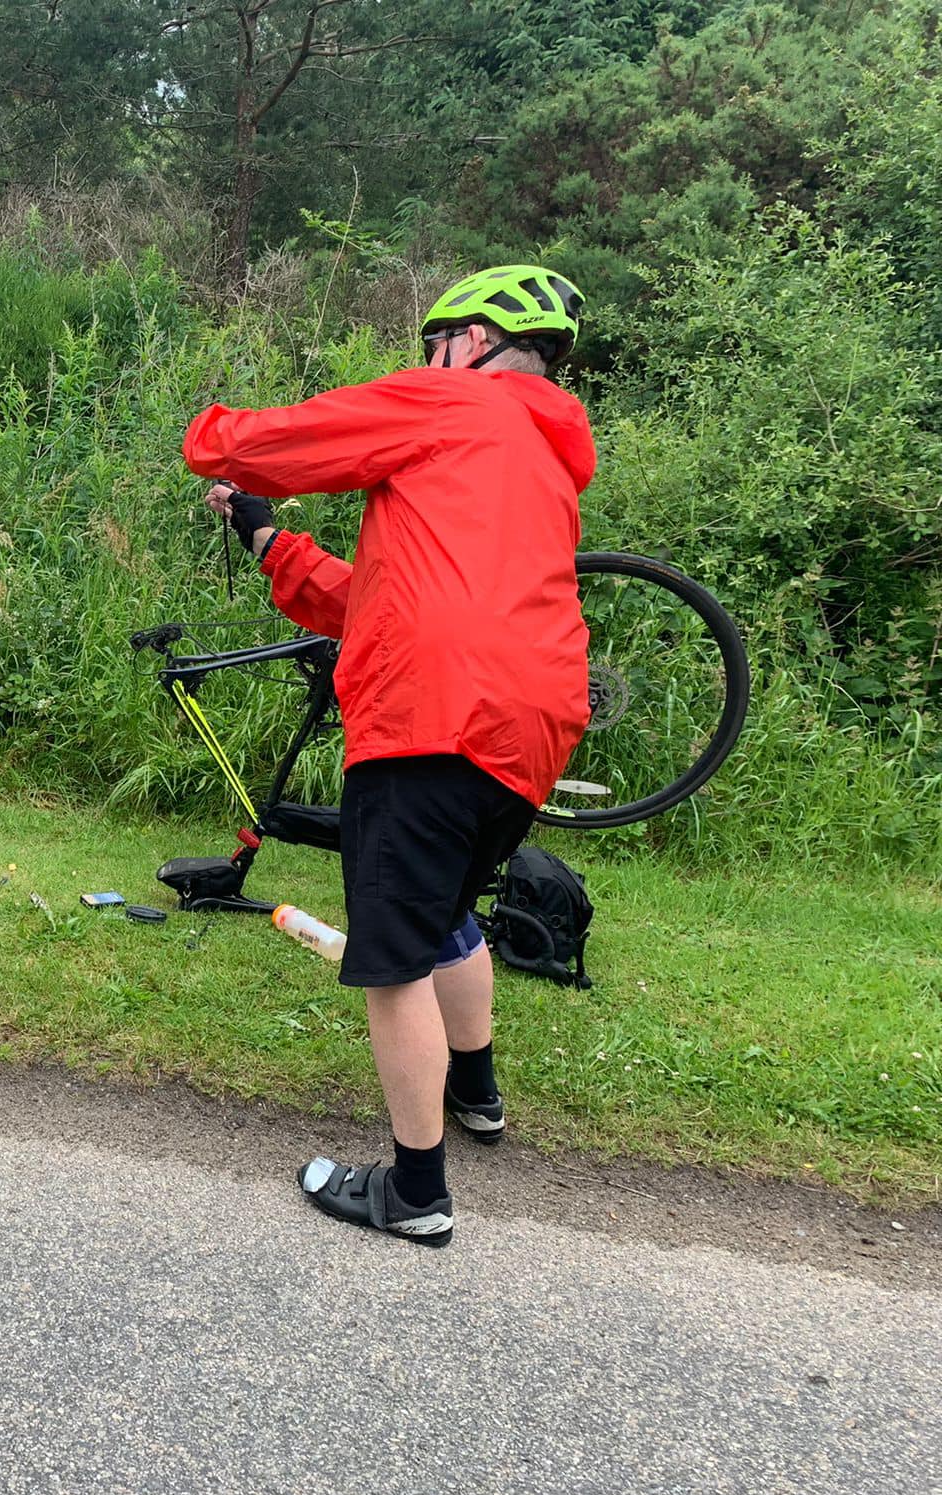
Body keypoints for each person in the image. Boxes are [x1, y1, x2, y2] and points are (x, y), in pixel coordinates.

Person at [182, 264, 593, 1247]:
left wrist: (211, 441)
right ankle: (477, 1095)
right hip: (524, 728)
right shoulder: (534, 456)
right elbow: (373, 599)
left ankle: (414, 1193)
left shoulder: (452, 399)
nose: (427, 358)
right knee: (447, 915)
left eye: (432, 341)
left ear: (471, 342)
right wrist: (264, 538)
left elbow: (273, 440)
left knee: (391, 958)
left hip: (429, 717)